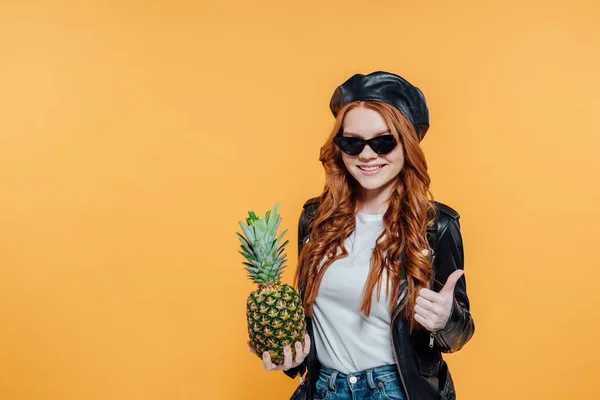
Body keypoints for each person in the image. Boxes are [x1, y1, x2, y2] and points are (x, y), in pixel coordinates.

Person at [249, 71, 475, 400]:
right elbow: (316, 320)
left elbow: (459, 334)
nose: (366, 155)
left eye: (383, 141)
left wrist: (446, 320)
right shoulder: (315, 220)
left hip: (395, 390)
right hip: (324, 389)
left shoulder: (436, 225)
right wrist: (289, 355)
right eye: (352, 143)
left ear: (407, 144)